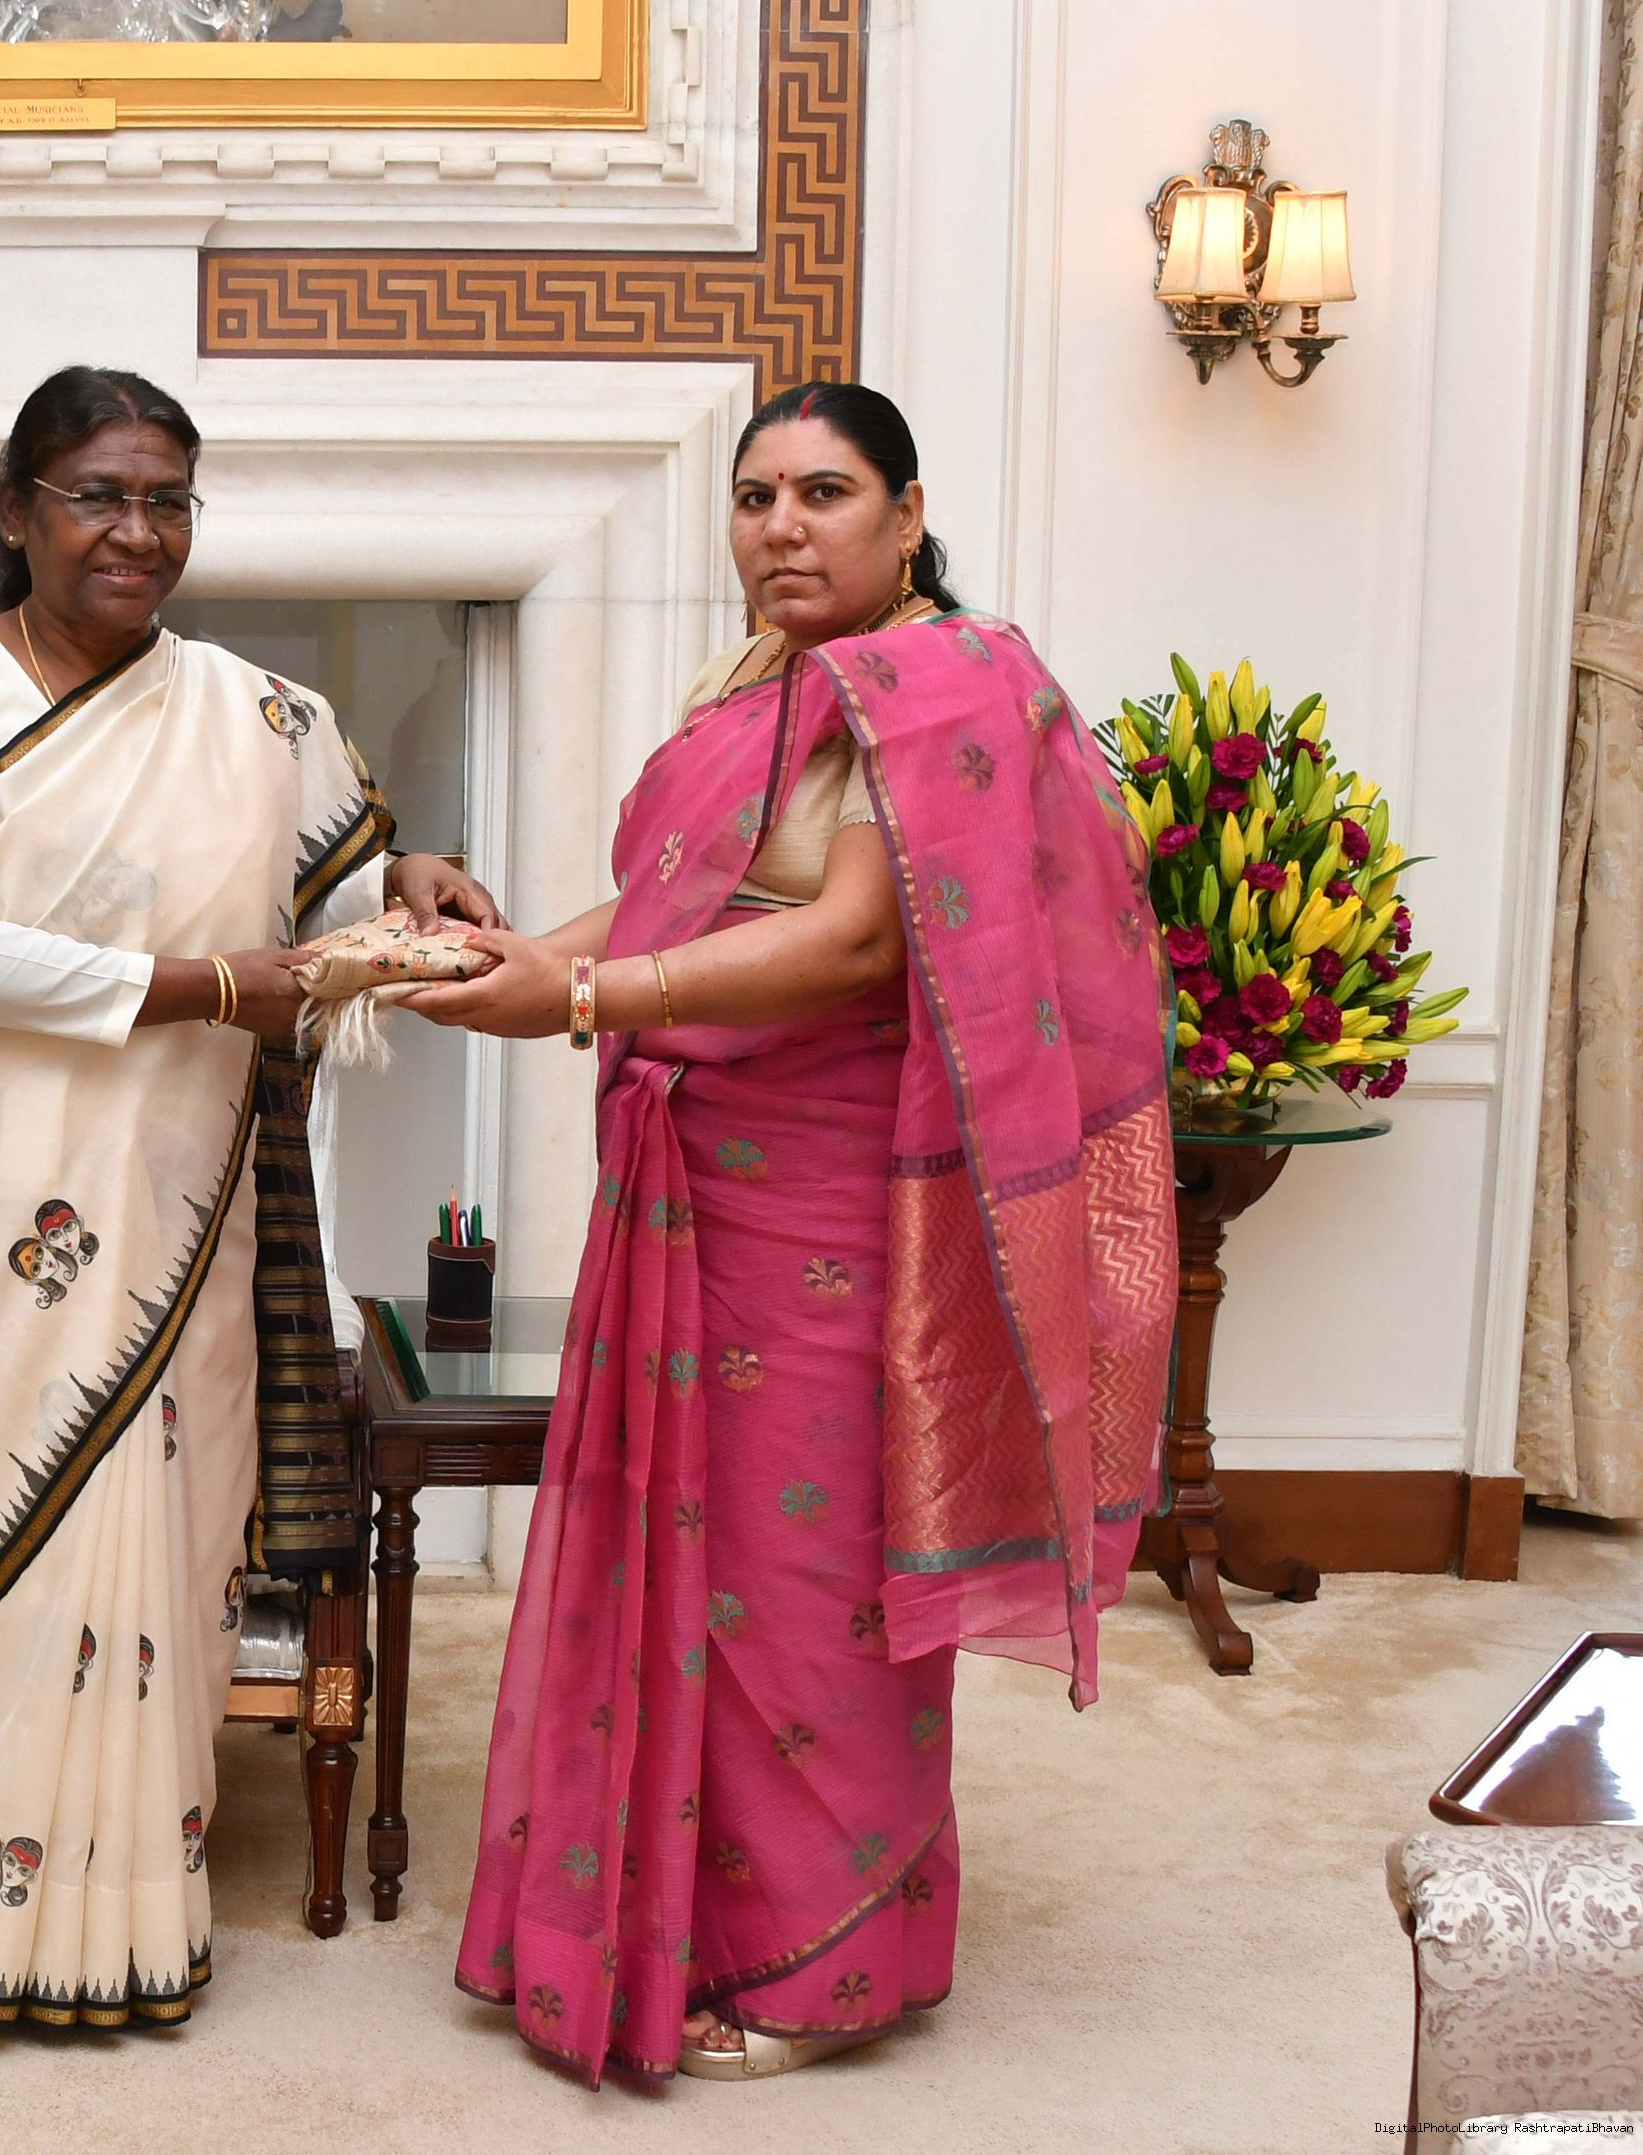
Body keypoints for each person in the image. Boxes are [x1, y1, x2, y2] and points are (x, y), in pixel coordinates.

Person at [406, 382, 1173, 2085]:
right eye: (756, 497)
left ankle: (826, 1971)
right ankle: (676, 1916)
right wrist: (515, 956)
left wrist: (577, 998)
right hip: (695, 1186)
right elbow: (681, 910)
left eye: (825, 493)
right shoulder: (749, 688)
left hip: (840, 1204)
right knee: (684, 1555)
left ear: (909, 518)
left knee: (811, 1584)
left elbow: (852, 946)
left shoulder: (945, 686)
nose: (782, 527)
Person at [0, 364, 500, 2030]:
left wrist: (405, 873)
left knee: (163, 1565)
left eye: (166, 501)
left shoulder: (255, 713)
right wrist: (207, 987)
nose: (136, 532)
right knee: (18, 1572)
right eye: (98, 497)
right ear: (19, 512)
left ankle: (134, 1928)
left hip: (183, 1199)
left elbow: (322, 883)